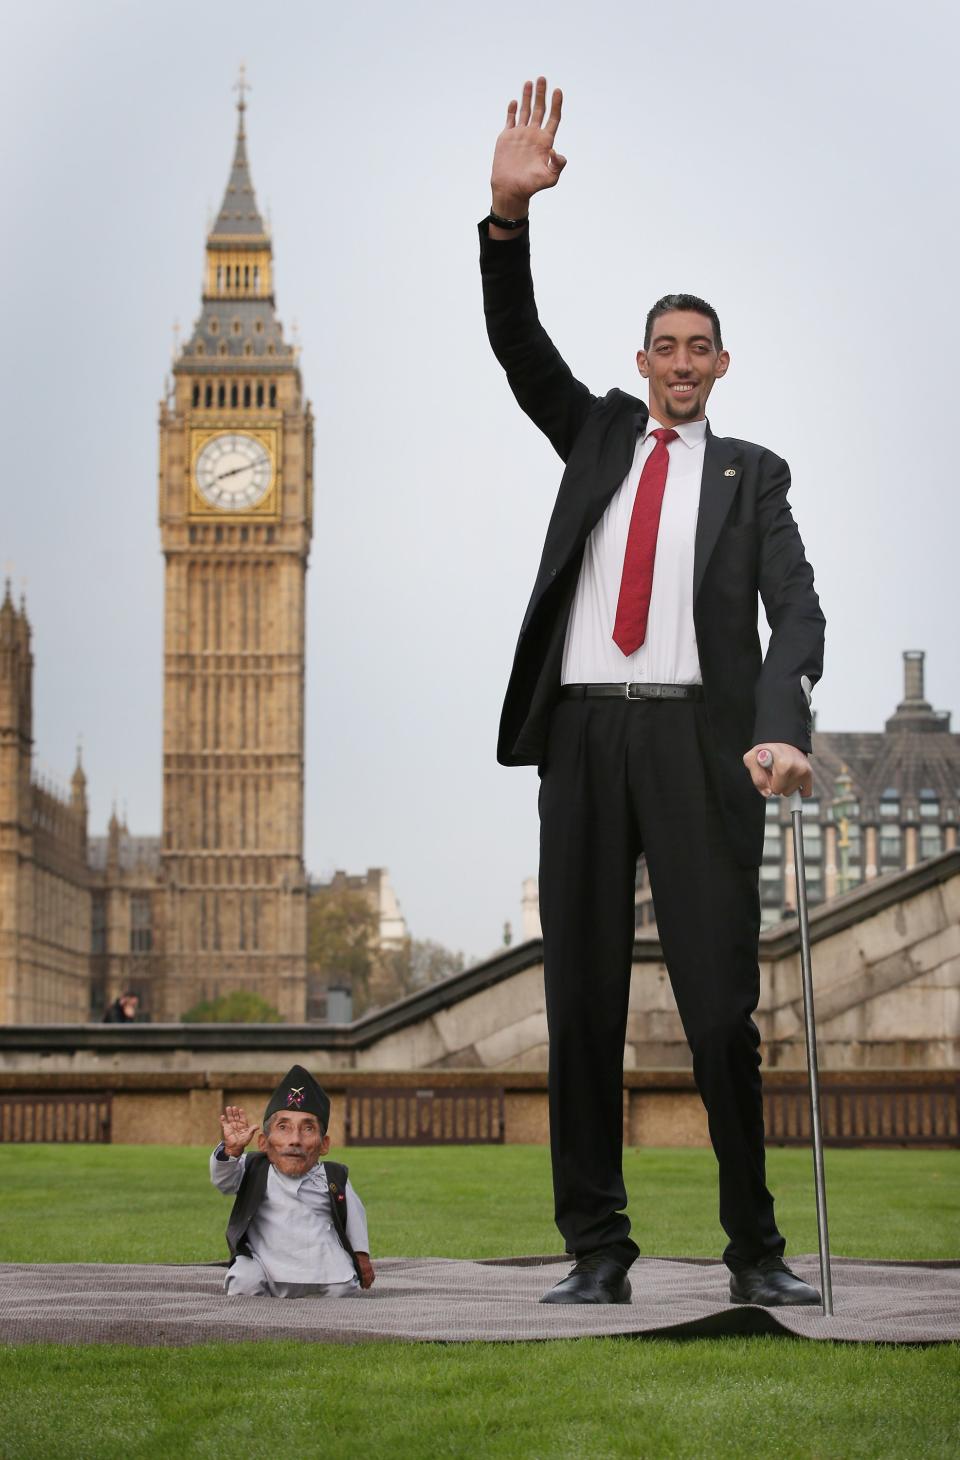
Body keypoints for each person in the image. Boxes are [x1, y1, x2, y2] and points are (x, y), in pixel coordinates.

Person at [479, 78, 825, 1306]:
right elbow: (518, 348)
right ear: (642, 362)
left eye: (699, 350)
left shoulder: (752, 474)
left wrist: (781, 730)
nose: (680, 365)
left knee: (721, 1006)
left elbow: (800, 614)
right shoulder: (596, 435)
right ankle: (598, 1248)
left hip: (695, 747)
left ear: (721, 364)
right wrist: (509, 217)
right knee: (580, 1000)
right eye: (663, 348)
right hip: (581, 737)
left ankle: (756, 1246)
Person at [210, 1064, 375, 1297]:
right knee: (245, 1282)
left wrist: (361, 1256)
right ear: (264, 1142)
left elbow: (355, 1217)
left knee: (344, 1289)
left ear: (324, 1144)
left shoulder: (334, 1177)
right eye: (283, 1127)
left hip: (322, 1263)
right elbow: (223, 1181)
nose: (295, 1140)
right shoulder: (253, 1168)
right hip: (265, 1262)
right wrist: (231, 1151)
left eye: (308, 1129)